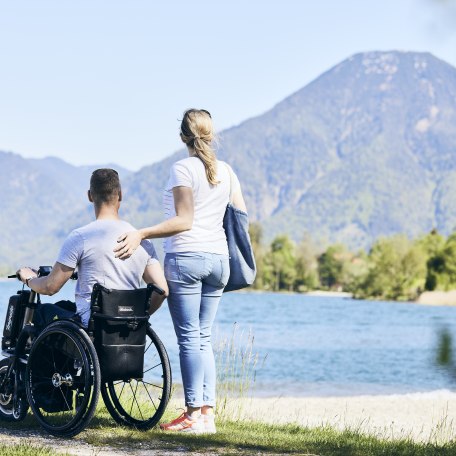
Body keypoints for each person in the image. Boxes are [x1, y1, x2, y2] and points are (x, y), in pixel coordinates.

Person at [113, 109, 247, 434]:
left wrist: (141, 233)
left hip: (186, 257)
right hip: (219, 262)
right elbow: (241, 214)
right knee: (203, 337)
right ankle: (207, 416)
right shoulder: (227, 171)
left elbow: (184, 221)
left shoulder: (183, 168)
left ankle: (191, 415)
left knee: (189, 338)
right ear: (210, 134)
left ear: (182, 136)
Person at [17, 168, 168, 327]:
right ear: (120, 195)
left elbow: (50, 287)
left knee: (43, 311)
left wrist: (29, 278)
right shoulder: (141, 240)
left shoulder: (80, 237)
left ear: (90, 196)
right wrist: (136, 317)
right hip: (128, 328)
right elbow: (162, 290)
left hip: (91, 326)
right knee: (63, 306)